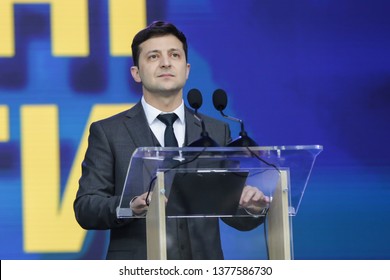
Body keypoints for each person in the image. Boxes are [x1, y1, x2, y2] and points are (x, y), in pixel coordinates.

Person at [73, 21, 270, 260]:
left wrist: (251, 208)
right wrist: (131, 205)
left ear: (186, 69)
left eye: (174, 55)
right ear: (136, 73)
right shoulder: (109, 132)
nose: (166, 62)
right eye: (153, 56)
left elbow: (231, 211)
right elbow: (86, 208)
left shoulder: (216, 131)